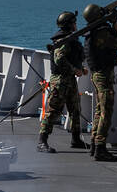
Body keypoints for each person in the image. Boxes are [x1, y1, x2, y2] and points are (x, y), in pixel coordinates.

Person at [83, 2, 117, 162]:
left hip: (98, 75)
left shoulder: (95, 32)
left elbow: (114, 41)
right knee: (106, 111)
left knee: (100, 110)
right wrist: (116, 26)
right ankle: (100, 148)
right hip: (103, 76)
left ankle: (94, 144)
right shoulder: (101, 32)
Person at [37, 11, 87, 153]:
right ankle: (42, 141)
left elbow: (70, 58)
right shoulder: (63, 41)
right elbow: (59, 59)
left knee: (75, 109)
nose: (76, 25)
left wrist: (79, 68)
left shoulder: (69, 39)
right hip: (60, 81)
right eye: (74, 22)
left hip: (69, 79)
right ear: (69, 25)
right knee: (53, 111)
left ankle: (76, 139)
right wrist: (75, 70)